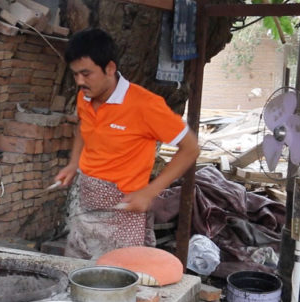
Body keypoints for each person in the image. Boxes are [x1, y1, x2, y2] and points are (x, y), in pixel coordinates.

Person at [55, 28, 200, 260]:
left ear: (110, 68)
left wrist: (150, 192)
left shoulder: (145, 105)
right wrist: (73, 164)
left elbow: (191, 147)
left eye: (86, 73)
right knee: (78, 274)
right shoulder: (85, 96)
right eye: (75, 74)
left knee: (116, 279)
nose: (79, 82)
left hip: (123, 209)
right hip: (86, 203)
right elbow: (84, 127)